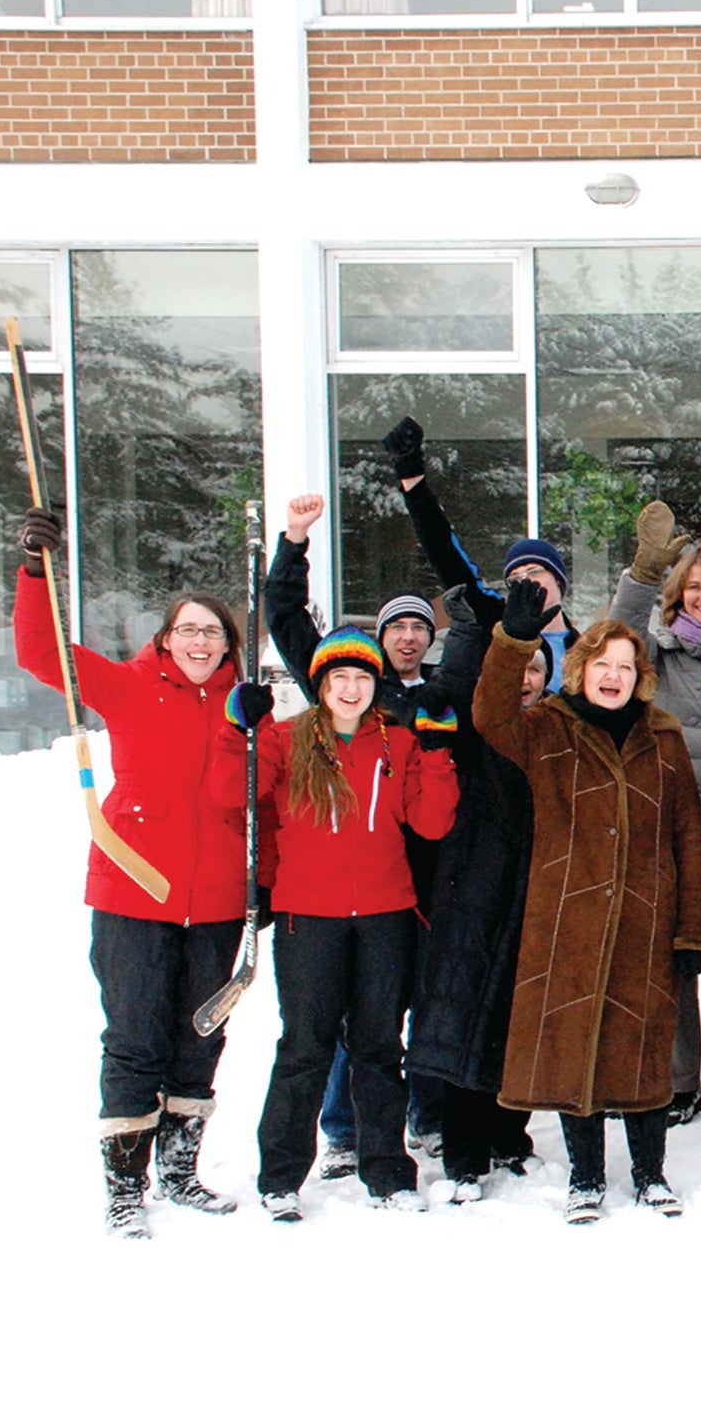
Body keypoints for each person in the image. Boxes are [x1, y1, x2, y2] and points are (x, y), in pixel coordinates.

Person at [14, 508, 250, 1237]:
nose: (201, 640)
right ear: (165, 640)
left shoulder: (248, 708)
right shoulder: (127, 688)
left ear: (229, 645)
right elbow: (41, 653)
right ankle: (125, 1184)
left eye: (213, 631)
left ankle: (180, 1172)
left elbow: (262, 798)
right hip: (133, 892)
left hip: (214, 903)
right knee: (135, 1037)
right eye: (188, 629)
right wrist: (32, 571)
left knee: (198, 1038)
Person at [473, 589, 701, 1223]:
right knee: (574, 1044)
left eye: (627, 667)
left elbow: (689, 834)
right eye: (603, 664)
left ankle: (649, 1173)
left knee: (641, 1048)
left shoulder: (662, 738)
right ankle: (585, 1176)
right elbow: (490, 717)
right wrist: (513, 642)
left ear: (641, 679)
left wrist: (693, 928)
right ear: (580, 669)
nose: (614, 677)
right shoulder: (548, 729)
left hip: (646, 918)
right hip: (568, 921)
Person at [265, 491, 478, 1171]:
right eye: (398, 627)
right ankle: (336, 1134)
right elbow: (287, 619)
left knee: (390, 1026)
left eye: (421, 626)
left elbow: (435, 812)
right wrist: (294, 543)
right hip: (325, 900)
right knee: (322, 1031)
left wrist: (440, 751)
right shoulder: (323, 712)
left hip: (409, 890)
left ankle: (405, 1136)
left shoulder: (430, 704)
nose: (409, 636)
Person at [219, 628, 459, 1219]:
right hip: (310, 918)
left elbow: (430, 824)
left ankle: (387, 1171)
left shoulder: (396, 743)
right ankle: (280, 1176)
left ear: (375, 685)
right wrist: (237, 732)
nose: (351, 689)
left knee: (379, 1046)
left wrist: (435, 752)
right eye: (339, 678)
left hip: (385, 915)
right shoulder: (285, 740)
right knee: (305, 1047)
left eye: (362, 678)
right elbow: (233, 793)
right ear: (321, 685)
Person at [401, 595, 543, 1201]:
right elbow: (459, 687)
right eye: (521, 666)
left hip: (530, 893)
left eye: (539, 668)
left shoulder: (557, 729)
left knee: (517, 1019)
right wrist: (468, 629)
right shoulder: (475, 721)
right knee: (464, 1018)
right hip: (469, 888)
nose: (529, 677)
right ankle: (462, 1156)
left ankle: (509, 1136)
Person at [609, 500, 701, 1120]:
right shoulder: (654, 655)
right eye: (692, 586)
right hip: (673, 839)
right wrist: (641, 572)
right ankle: (680, 1082)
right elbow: (616, 633)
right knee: (677, 965)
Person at [380, 414, 577, 686]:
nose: (526, 581)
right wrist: (412, 479)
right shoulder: (495, 623)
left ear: (558, 579)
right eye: (516, 578)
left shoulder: (587, 647)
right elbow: (445, 556)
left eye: (534, 570)